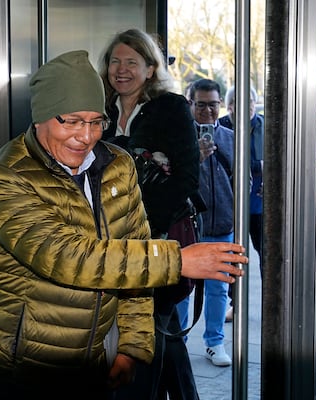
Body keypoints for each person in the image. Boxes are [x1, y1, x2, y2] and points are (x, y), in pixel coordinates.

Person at [0, 50, 247, 400]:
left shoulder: (117, 164)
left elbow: (134, 257)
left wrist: (131, 347)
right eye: (70, 120)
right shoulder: (4, 178)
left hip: (95, 364)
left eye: (95, 121)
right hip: (23, 371)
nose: (85, 136)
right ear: (40, 116)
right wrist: (179, 260)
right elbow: (68, 257)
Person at [99, 28, 202, 399]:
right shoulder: (99, 112)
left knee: (143, 330)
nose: (121, 70)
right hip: (110, 243)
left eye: (131, 62)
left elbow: (187, 178)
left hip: (155, 238)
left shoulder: (170, 108)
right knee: (160, 326)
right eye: (115, 61)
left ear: (150, 68)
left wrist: (143, 233)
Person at [177, 79, 235, 367]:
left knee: (218, 288)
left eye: (213, 104)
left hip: (222, 225)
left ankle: (215, 342)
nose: (208, 111)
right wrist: (195, 157)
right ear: (190, 104)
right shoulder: (179, 139)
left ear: (220, 104)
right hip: (187, 227)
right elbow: (173, 182)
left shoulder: (231, 138)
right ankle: (179, 343)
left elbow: (243, 179)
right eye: (201, 104)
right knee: (182, 288)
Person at [218, 86, 264, 322]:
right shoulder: (221, 126)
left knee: (267, 255)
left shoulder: (266, 127)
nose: (244, 105)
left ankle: (271, 306)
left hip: (260, 205)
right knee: (234, 258)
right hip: (232, 206)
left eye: (249, 100)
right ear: (229, 106)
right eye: (236, 101)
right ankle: (236, 306)